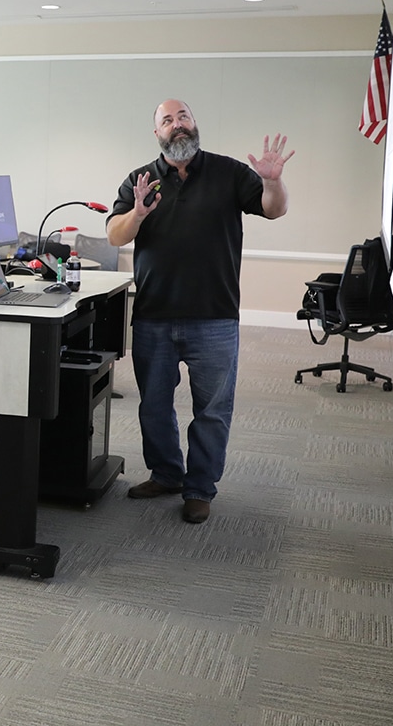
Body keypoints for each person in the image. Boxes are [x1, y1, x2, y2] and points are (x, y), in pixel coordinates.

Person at [106, 99, 292, 525]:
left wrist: (273, 182)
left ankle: (200, 489)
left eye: (183, 117)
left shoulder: (229, 173)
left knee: (212, 409)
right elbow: (115, 235)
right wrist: (136, 213)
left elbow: (274, 208)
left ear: (195, 124)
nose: (177, 125)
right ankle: (167, 474)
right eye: (167, 120)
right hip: (154, 315)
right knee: (154, 405)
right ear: (157, 133)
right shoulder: (141, 180)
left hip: (215, 317)